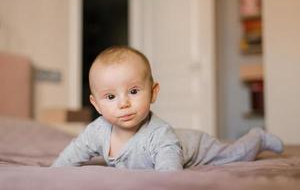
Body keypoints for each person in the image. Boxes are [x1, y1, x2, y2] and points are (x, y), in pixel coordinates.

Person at [52, 45, 283, 171]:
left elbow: (170, 177)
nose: (123, 103)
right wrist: (53, 172)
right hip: (178, 137)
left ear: (153, 92)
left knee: (235, 154)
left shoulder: (160, 138)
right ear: (96, 105)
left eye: (133, 91)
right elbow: (75, 152)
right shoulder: (97, 131)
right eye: (110, 96)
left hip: (196, 146)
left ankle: (257, 137)